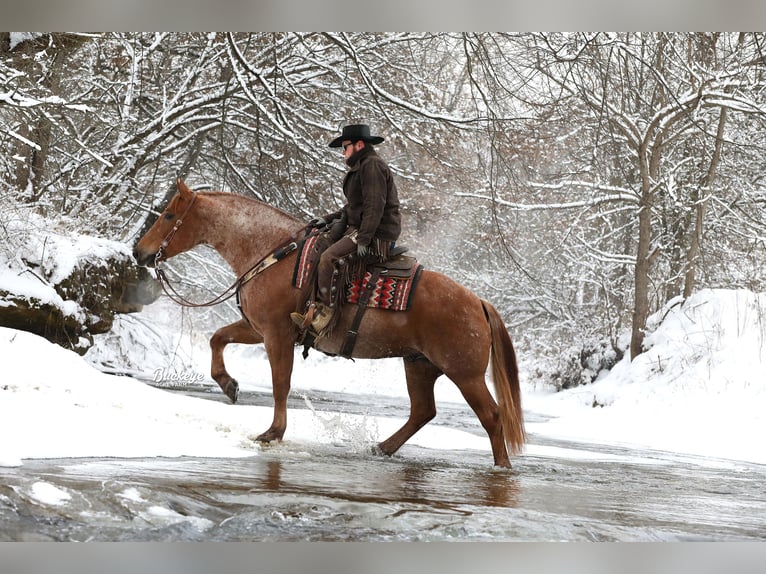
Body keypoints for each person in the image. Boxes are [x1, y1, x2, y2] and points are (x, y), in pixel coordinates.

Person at [292, 124, 402, 335]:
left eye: (345, 147)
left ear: (359, 144)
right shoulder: (363, 165)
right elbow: (354, 207)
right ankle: (310, 304)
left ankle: (326, 315)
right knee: (319, 242)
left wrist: (364, 239)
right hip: (363, 228)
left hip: (377, 233)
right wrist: (326, 219)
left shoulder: (372, 166)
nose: (343, 152)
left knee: (329, 258)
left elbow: (374, 206)